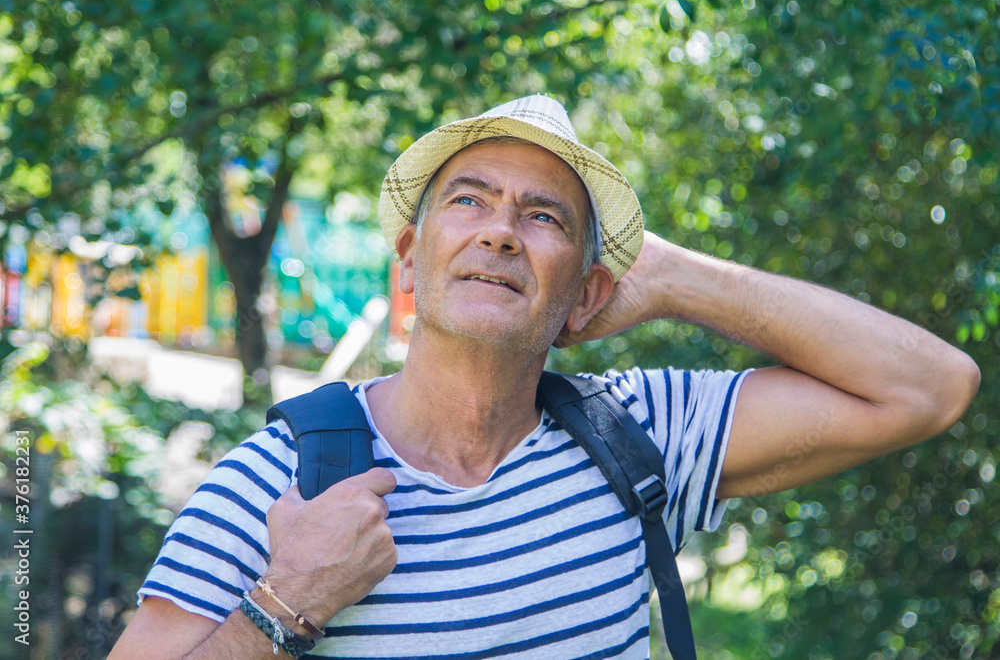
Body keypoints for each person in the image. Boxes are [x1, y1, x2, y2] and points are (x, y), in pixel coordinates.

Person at [110, 95, 979, 659]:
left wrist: (676, 278)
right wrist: (285, 600)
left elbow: (930, 386)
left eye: (543, 215)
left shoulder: (639, 433)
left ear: (586, 295)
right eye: (468, 200)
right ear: (410, 259)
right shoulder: (280, 485)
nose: (499, 231)